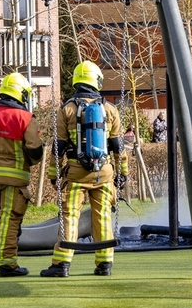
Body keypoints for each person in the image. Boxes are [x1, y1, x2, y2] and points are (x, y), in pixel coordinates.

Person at [40, 61, 128, 278]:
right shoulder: (110, 109)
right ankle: (104, 263)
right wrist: (122, 173)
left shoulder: (67, 109)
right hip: (104, 173)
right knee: (103, 216)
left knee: (70, 216)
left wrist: (54, 175)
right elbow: (119, 146)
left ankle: (61, 264)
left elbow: (58, 146)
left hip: (76, 173)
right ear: (97, 81)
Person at [0, 72, 44, 276]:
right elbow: (35, 151)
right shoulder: (25, 118)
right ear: (21, 94)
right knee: (9, 221)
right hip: (15, 180)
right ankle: (7, 264)